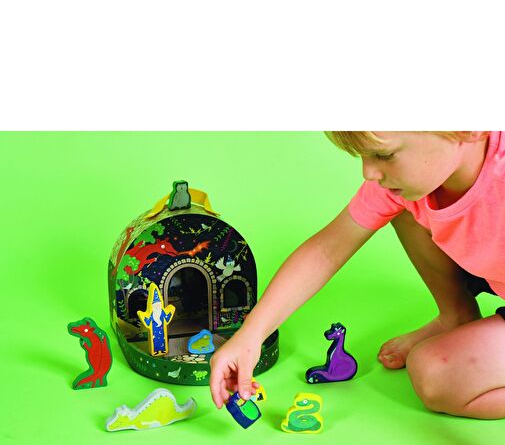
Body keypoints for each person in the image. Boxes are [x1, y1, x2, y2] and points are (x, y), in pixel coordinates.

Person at [210, 131, 505, 420]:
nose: (368, 172)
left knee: (434, 374)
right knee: (401, 204)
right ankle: (456, 317)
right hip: (490, 266)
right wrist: (251, 335)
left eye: (385, 154)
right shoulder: (407, 180)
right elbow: (327, 250)